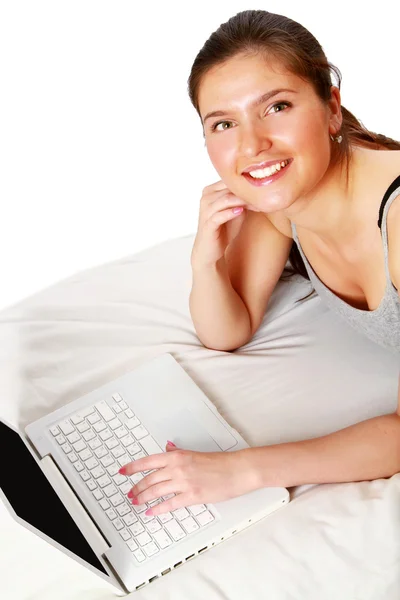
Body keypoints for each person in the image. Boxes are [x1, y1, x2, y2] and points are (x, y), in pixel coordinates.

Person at [119, 10, 400, 517]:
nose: (251, 145)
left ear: (331, 107)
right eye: (224, 123)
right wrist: (206, 258)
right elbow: (227, 331)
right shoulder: (285, 207)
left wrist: (242, 470)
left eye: (277, 107)